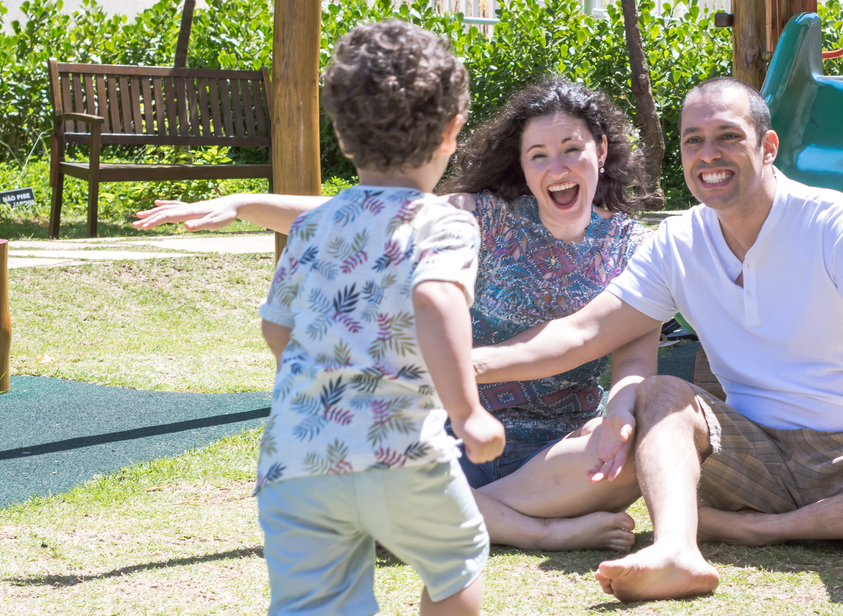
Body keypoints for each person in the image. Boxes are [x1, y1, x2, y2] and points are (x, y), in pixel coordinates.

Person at [471, 76, 843, 602]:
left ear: (768, 146)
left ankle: (758, 530)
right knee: (659, 394)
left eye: (728, 136)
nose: (708, 154)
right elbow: (582, 332)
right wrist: (465, 365)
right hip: (747, 453)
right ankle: (677, 550)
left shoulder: (831, 218)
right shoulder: (677, 241)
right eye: (694, 140)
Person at [134, 80, 656, 553]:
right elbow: (364, 215)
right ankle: (532, 529)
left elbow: (636, 363)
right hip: (452, 433)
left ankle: (429, 514)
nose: (556, 168)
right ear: (521, 165)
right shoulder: (481, 217)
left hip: (558, 452)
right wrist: (246, 203)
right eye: (538, 155)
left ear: (601, 150)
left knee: (629, 457)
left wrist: (619, 414)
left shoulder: (637, 249)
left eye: (571, 150)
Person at [255, 20, 505, 615]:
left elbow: (276, 328)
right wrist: (468, 414)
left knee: (315, 603)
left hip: (296, 457)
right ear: (452, 130)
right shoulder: (443, 222)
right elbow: (436, 299)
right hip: (399, 451)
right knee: (458, 558)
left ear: (341, 136)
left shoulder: (312, 225)